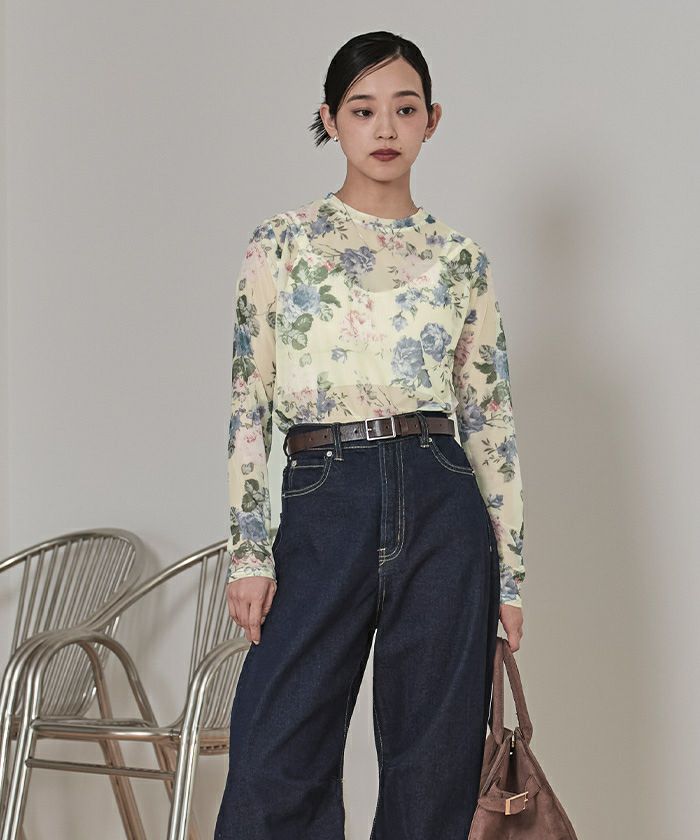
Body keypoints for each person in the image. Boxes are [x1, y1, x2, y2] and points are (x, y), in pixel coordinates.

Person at [214, 30, 525, 840]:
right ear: (331, 119)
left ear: (431, 120)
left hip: (441, 495)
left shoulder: (460, 260)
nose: (385, 127)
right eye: (362, 109)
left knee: (435, 766)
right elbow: (249, 403)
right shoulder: (282, 244)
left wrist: (513, 576)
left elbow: (489, 418)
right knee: (276, 756)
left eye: (404, 108)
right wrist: (249, 554)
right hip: (326, 492)